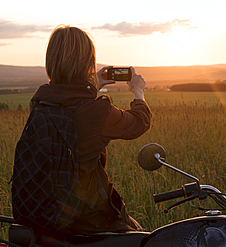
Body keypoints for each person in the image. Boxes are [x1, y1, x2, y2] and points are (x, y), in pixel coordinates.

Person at [28, 25, 152, 234]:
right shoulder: (98, 111)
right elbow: (139, 123)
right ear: (87, 62)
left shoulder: (39, 104)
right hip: (89, 217)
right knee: (141, 235)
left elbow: (66, 102)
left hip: (46, 213)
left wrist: (94, 85)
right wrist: (138, 92)